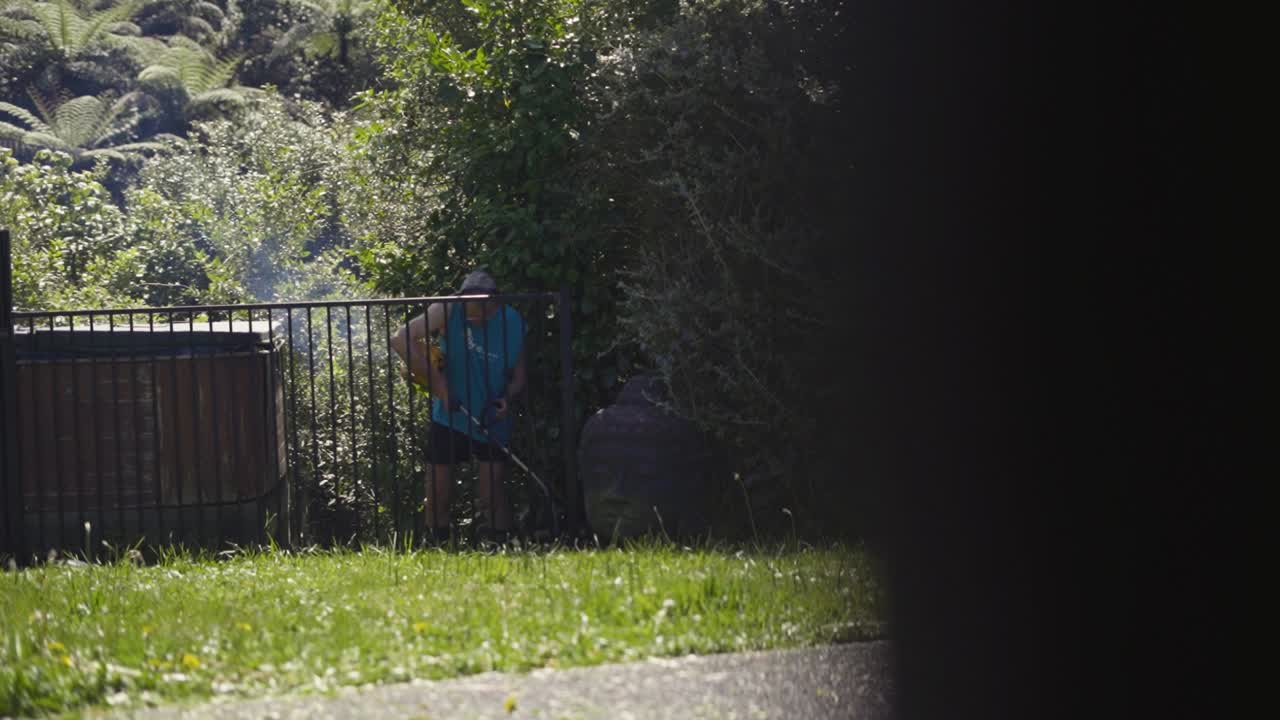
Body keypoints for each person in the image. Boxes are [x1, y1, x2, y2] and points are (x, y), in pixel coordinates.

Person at [390, 270, 527, 544]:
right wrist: (441, 389)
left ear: (493, 304)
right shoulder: (448, 308)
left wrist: (507, 400)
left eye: (475, 308)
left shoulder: (513, 322)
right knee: (438, 493)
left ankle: (500, 547)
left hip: (490, 419)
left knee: (491, 495)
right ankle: (437, 547)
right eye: (465, 305)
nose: (468, 314)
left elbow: (520, 378)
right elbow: (400, 339)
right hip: (449, 417)